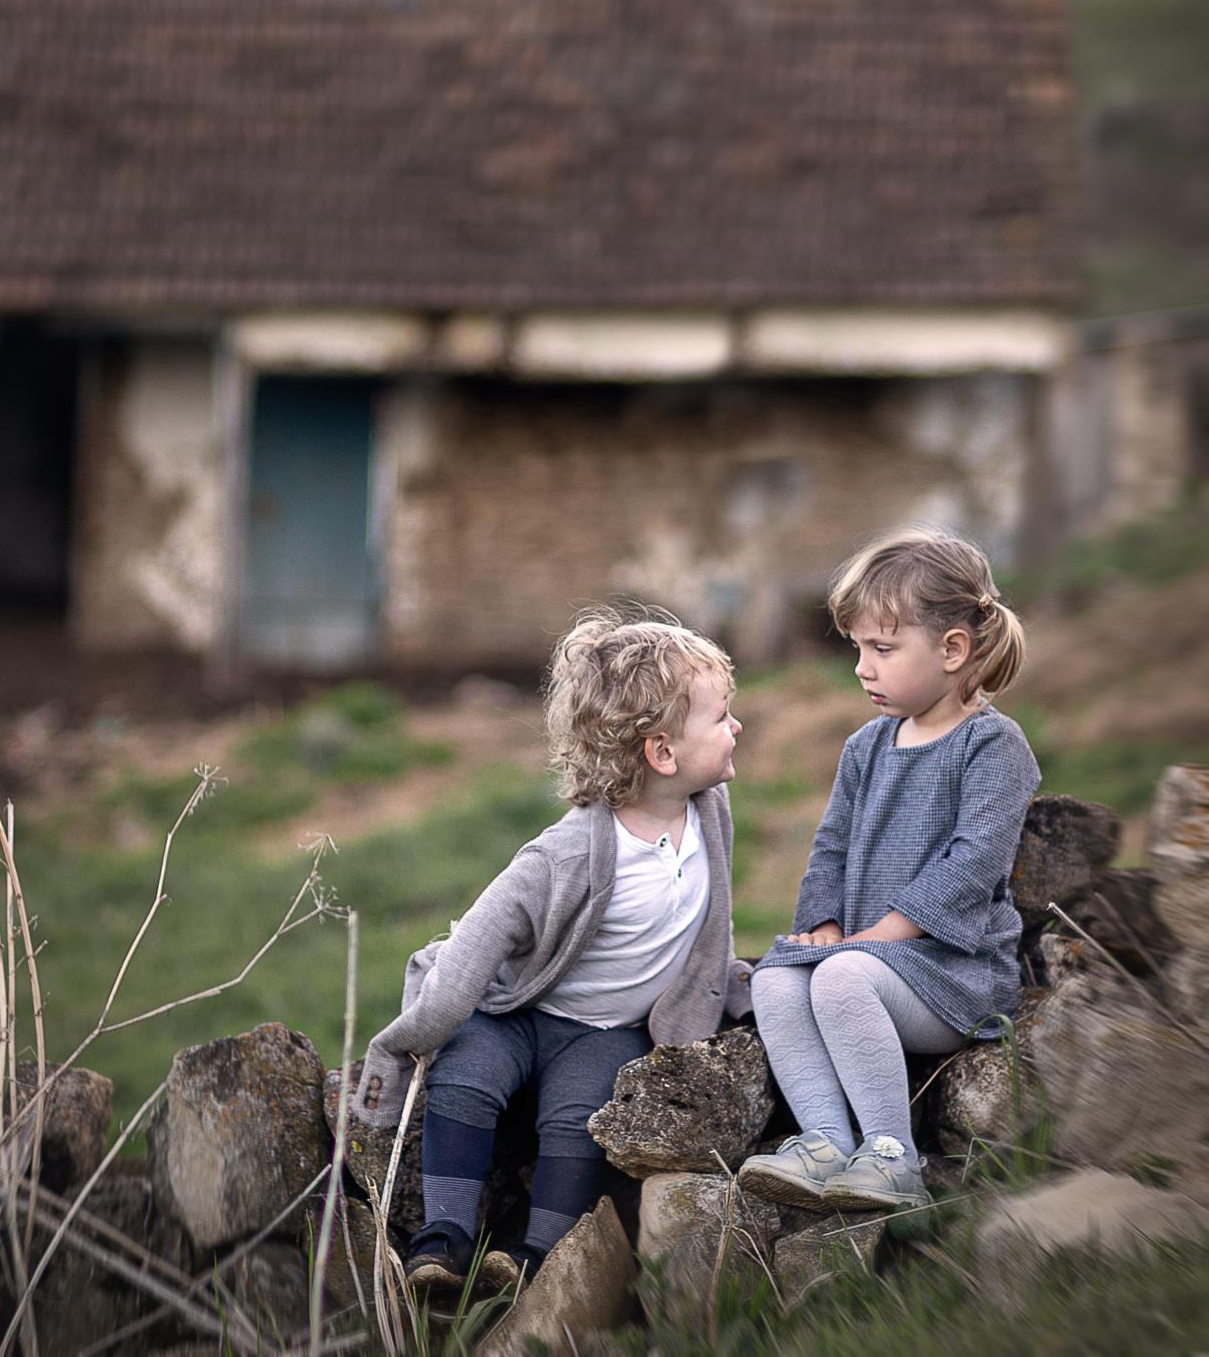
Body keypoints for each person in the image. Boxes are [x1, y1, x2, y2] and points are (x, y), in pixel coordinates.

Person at [349, 608, 751, 1293]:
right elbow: (483, 935)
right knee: (467, 1077)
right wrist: (417, 1032)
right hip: (516, 1012)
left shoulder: (710, 812)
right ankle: (440, 1241)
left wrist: (742, 992)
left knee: (578, 1117)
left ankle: (536, 1259)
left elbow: (712, 932)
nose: (736, 726)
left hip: (603, 1032)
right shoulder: (570, 850)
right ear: (661, 752)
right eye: (720, 718)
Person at [738, 527, 1038, 1215]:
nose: (862, 669)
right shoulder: (866, 746)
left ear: (953, 650)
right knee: (778, 980)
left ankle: (891, 1156)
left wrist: (877, 938)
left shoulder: (992, 744)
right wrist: (823, 924)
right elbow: (832, 846)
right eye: (859, 650)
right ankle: (824, 1139)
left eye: (882, 649)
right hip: (869, 957)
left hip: (950, 975)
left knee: (842, 976)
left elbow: (974, 862)